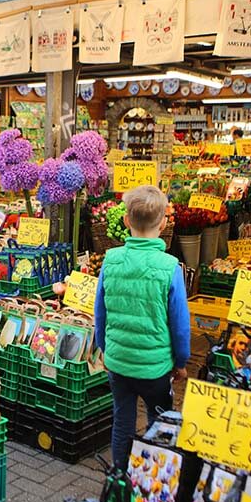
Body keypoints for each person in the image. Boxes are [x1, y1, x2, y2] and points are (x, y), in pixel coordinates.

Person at [94, 185, 191, 469]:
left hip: (119, 363)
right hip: (156, 367)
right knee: (159, 421)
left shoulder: (110, 261)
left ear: (126, 221)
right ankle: (154, 477)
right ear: (163, 223)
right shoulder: (169, 266)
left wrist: (105, 349)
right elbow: (180, 324)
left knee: (122, 420)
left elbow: (100, 313)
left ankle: (119, 476)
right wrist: (181, 361)